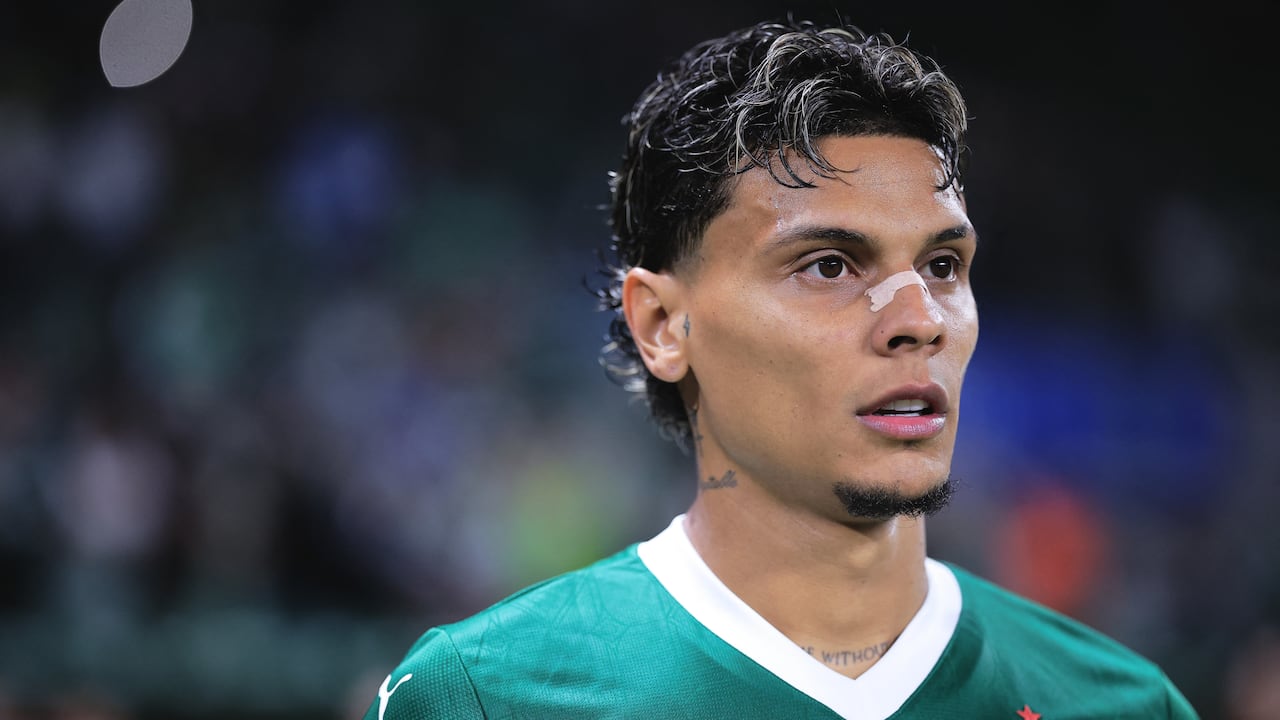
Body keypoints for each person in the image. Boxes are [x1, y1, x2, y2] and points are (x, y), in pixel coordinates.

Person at [363, 18, 1199, 719]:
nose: (919, 322)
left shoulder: (1127, 705)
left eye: (943, 266)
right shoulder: (481, 697)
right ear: (662, 324)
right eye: (830, 266)